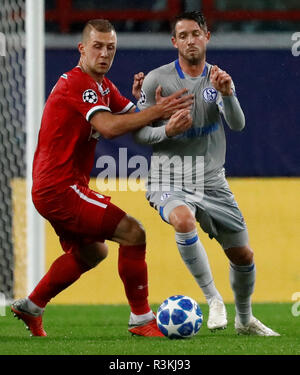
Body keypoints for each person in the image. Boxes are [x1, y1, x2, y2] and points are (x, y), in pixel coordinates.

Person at [11, 19, 193, 337]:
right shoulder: (77, 82)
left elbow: (132, 119)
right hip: (60, 187)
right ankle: (141, 319)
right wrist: (155, 112)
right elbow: (109, 128)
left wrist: (151, 108)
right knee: (133, 232)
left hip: (59, 187)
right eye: (97, 46)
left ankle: (32, 305)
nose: (105, 53)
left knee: (93, 251)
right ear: (82, 48)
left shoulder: (103, 88)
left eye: (111, 47)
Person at [133, 11, 280, 336]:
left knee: (243, 255)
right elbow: (139, 133)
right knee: (183, 220)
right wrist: (166, 131)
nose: (189, 40)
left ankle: (244, 320)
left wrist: (228, 93)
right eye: (182, 35)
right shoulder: (157, 80)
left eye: (195, 34)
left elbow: (238, 125)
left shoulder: (219, 79)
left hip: (212, 180)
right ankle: (213, 300)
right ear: (174, 42)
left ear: (207, 37)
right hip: (168, 177)